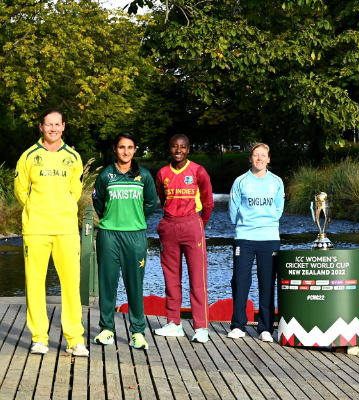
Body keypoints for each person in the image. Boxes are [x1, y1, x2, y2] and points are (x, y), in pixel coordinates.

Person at [14, 109, 89, 356]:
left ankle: (75, 339)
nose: (53, 129)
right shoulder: (28, 156)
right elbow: (21, 191)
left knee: (70, 284)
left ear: (64, 127)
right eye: (49, 125)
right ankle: (39, 338)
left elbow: (75, 191)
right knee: (35, 283)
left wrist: (62, 207)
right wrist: (38, 209)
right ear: (41, 127)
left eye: (57, 124)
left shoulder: (73, 157)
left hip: (66, 228)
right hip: (36, 228)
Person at [92, 132, 157, 350]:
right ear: (115, 149)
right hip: (109, 234)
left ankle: (137, 332)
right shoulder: (105, 175)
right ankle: (107, 329)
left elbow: (150, 204)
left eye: (130, 147)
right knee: (107, 283)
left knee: (135, 285)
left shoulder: (144, 176)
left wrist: (135, 220)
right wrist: (113, 219)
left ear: (135, 149)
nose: (126, 151)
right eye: (122, 147)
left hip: (135, 235)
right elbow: (98, 202)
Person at [154, 135, 214, 343]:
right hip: (169, 226)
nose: (178, 150)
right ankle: (174, 323)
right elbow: (163, 199)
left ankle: (200, 327)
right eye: (174, 146)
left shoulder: (198, 171)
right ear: (169, 148)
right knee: (171, 277)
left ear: (188, 150)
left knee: (197, 278)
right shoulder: (162, 173)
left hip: (192, 224)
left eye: (183, 147)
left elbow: (208, 203)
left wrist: (198, 225)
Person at [227, 143, 284, 342]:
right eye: (256, 155)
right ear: (250, 158)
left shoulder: (276, 182)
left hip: (269, 238)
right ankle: (238, 325)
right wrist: (243, 226)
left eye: (263, 155)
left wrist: (266, 225)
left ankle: (266, 328)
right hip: (244, 237)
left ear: (269, 159)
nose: (259, 158)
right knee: (241, 282)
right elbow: (233, 209)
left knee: (267, 283)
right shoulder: (241, 181)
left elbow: (278, 209)